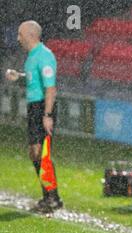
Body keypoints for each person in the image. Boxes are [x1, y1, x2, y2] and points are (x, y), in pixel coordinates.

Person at [5, 20, 63, 213]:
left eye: (20, 34)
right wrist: (19, 77)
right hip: (34, 108)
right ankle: (48, 195)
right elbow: (35, 79)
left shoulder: (44, 55)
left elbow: (50, 88)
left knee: (42, 153)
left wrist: (47, 114)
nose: (18, 38)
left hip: (42, 108)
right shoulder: (32, 57)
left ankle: (53, 198)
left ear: (30, 34)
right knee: (35, 153)